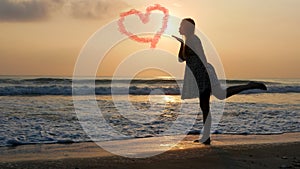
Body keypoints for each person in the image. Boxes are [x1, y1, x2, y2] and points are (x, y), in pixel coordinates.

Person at [172, 18, 267, 145]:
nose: (179, 27)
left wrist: (205, 74)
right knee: (208, 104)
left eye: (181, 25)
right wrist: (181, 44)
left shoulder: (194, 39)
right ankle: (206, 137)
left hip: (203, 73)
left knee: (215, 99)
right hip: (199, 75)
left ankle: (248, 85)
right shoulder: (187, 41)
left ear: (187, 28)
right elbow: (181, 59)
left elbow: (202, 56)